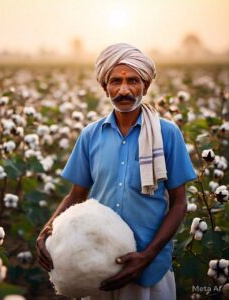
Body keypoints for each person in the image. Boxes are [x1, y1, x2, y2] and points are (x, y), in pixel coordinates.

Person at [36, 43, 197, 300]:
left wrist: (147, 256)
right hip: (96, 266)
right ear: (104, 87)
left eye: (133, 80)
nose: (124, 90)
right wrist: (47, 230)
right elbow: (76, 195)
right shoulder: (91, 135)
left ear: (146, 86)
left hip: (149, 269)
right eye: (115, 81)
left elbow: (179, 203)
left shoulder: (168, 135)